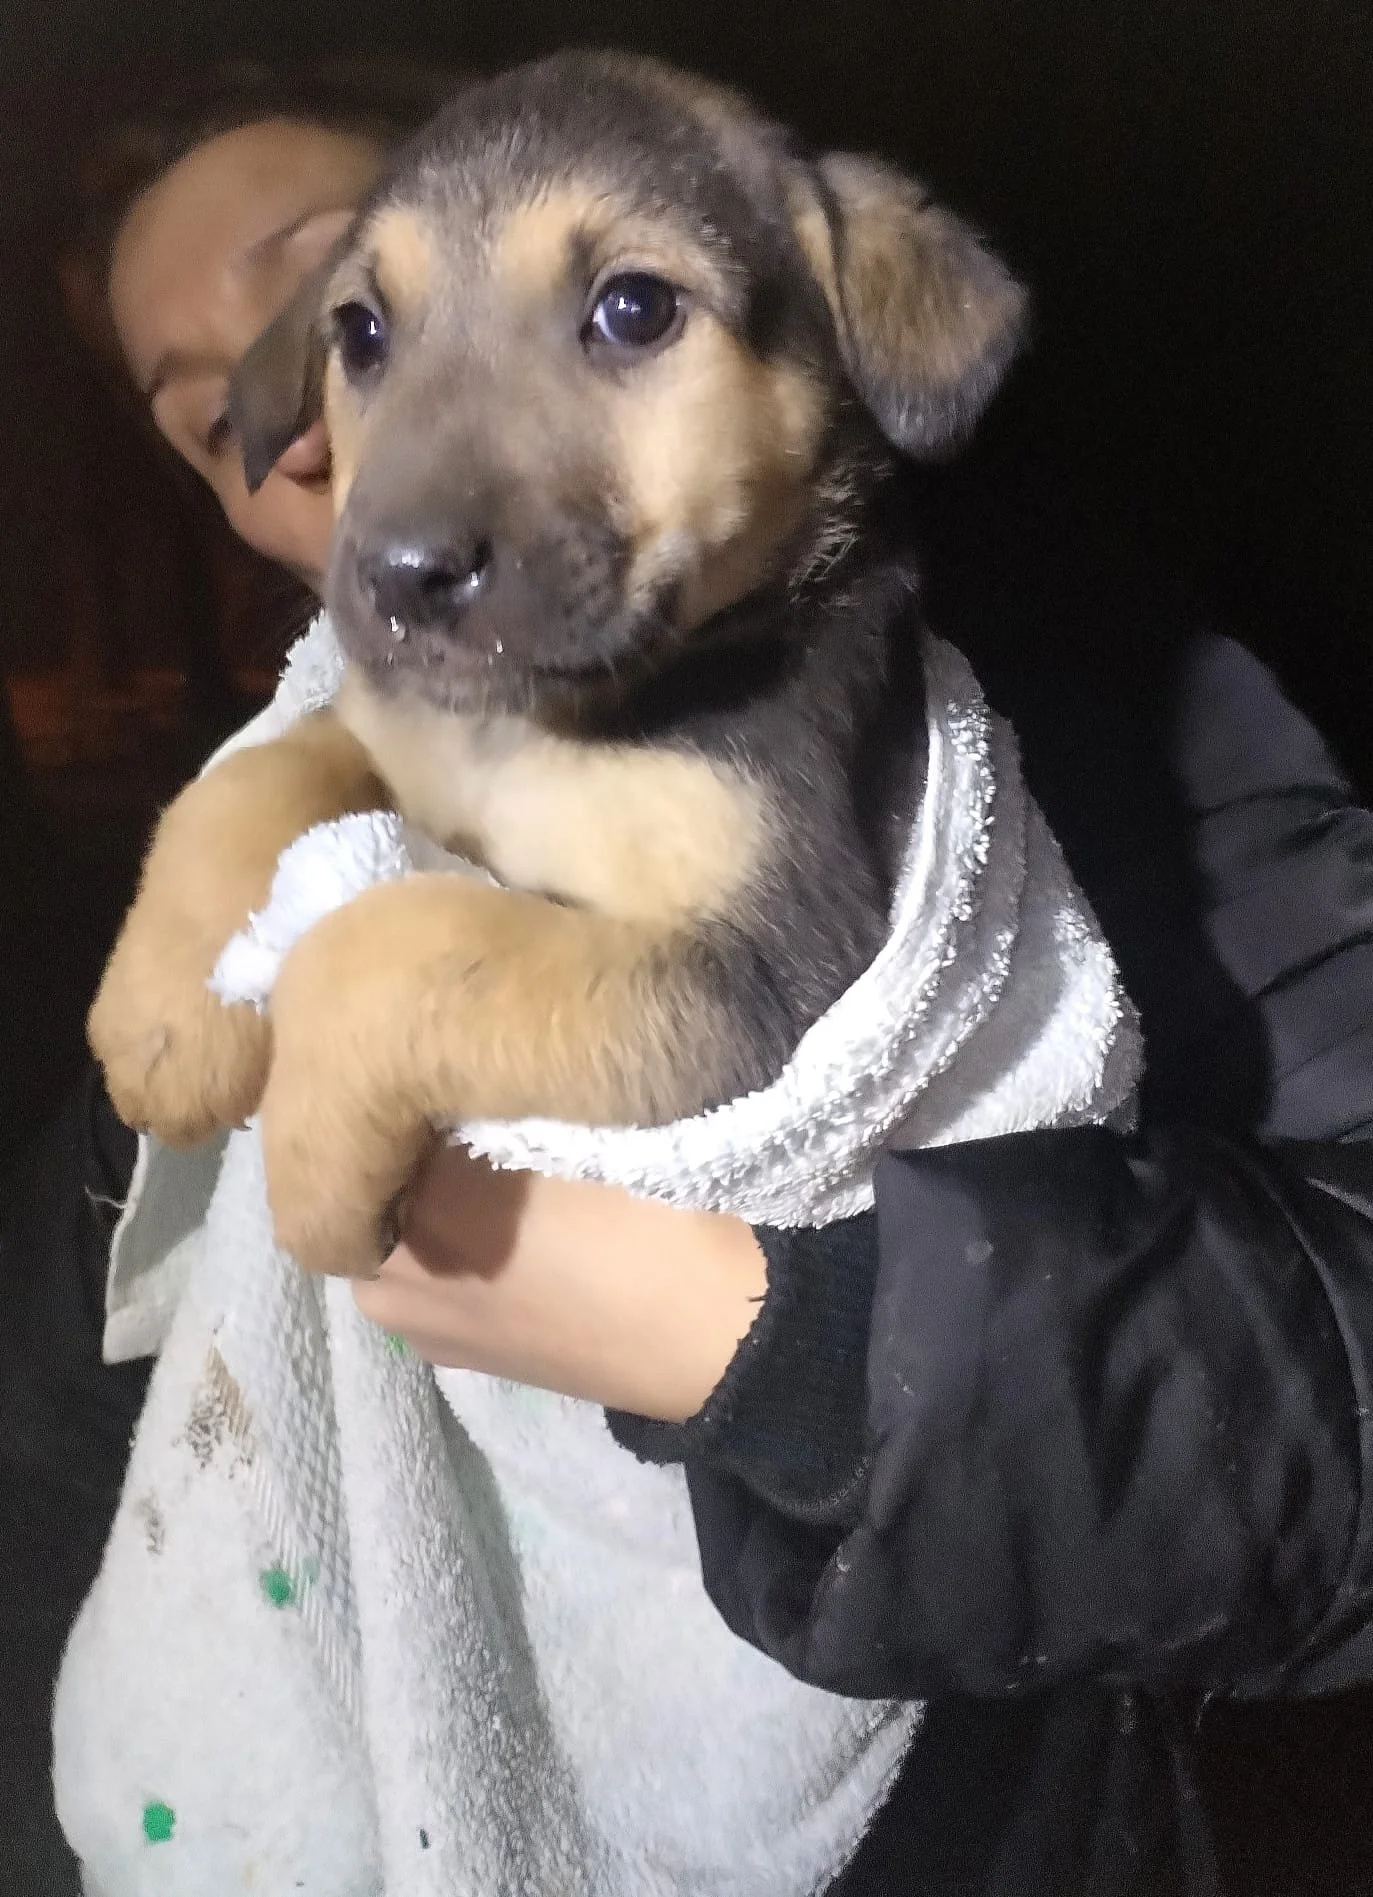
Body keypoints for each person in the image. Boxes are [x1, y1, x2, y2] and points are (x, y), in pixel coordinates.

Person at [6, 55, 1373, 1897]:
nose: (386, 466)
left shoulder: (1006, 675)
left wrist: (756, 1338)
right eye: (360, 341)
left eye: (619, 308)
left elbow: (732, 989)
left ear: (823, 329)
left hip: (959, 1788)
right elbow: (64, 1459)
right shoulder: (328, 719)